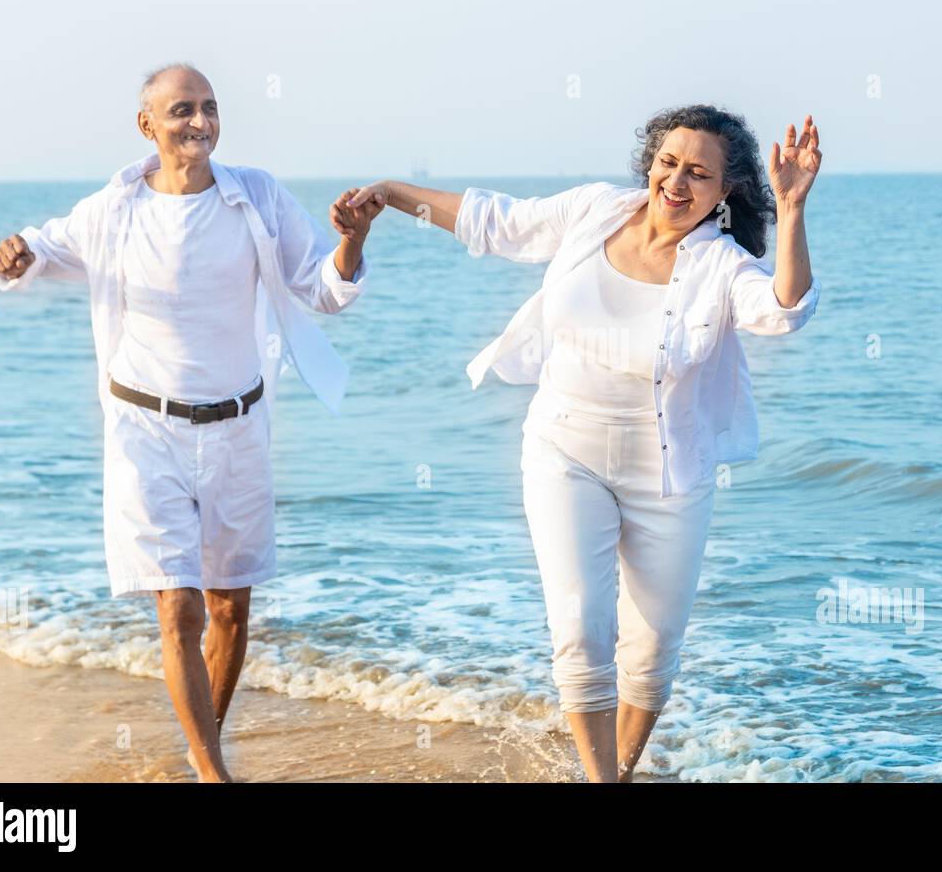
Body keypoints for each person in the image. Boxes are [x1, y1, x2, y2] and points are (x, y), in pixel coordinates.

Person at [330, 104, 821, 782]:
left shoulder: (720, 264)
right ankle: (600, 779)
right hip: (564, 448)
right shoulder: (595, 212)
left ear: (724, 192)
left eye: (698, 174)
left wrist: (792, 209)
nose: (677, 183)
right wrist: (392, 193)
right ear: (650, 162)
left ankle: (616, 770)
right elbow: (491, 221)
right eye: (669, 163)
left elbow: (785, 310)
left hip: (669, 472)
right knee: (582, 626)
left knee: (651, 651)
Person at [0, 63, 382, 782]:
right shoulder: (114, 210)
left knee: (231, 610)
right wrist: (13, 256)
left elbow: (322, 291)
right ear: (148, 126)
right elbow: (36, 250)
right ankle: (211, 771)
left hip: (239, 425)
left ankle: (206, 745)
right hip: (146, 431)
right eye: (180, 110)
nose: (198, 121)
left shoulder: (255, 196)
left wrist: (351, 242)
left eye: (207, 107)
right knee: (179, 609)